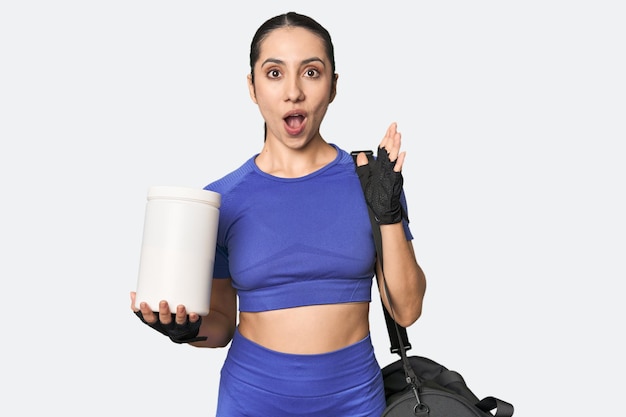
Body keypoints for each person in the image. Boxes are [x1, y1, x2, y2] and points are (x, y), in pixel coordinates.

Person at [130, 11, 426, 417]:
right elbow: (220, 326)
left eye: (311, 72)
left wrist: (388, 213)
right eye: (274, 73)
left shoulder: (372, 183)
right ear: (252, 87)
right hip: (251, 402)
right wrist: (185, 329)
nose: (293, 92)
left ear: (334, 85)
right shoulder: (221, 199)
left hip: (355, 403)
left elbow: (406, 310)